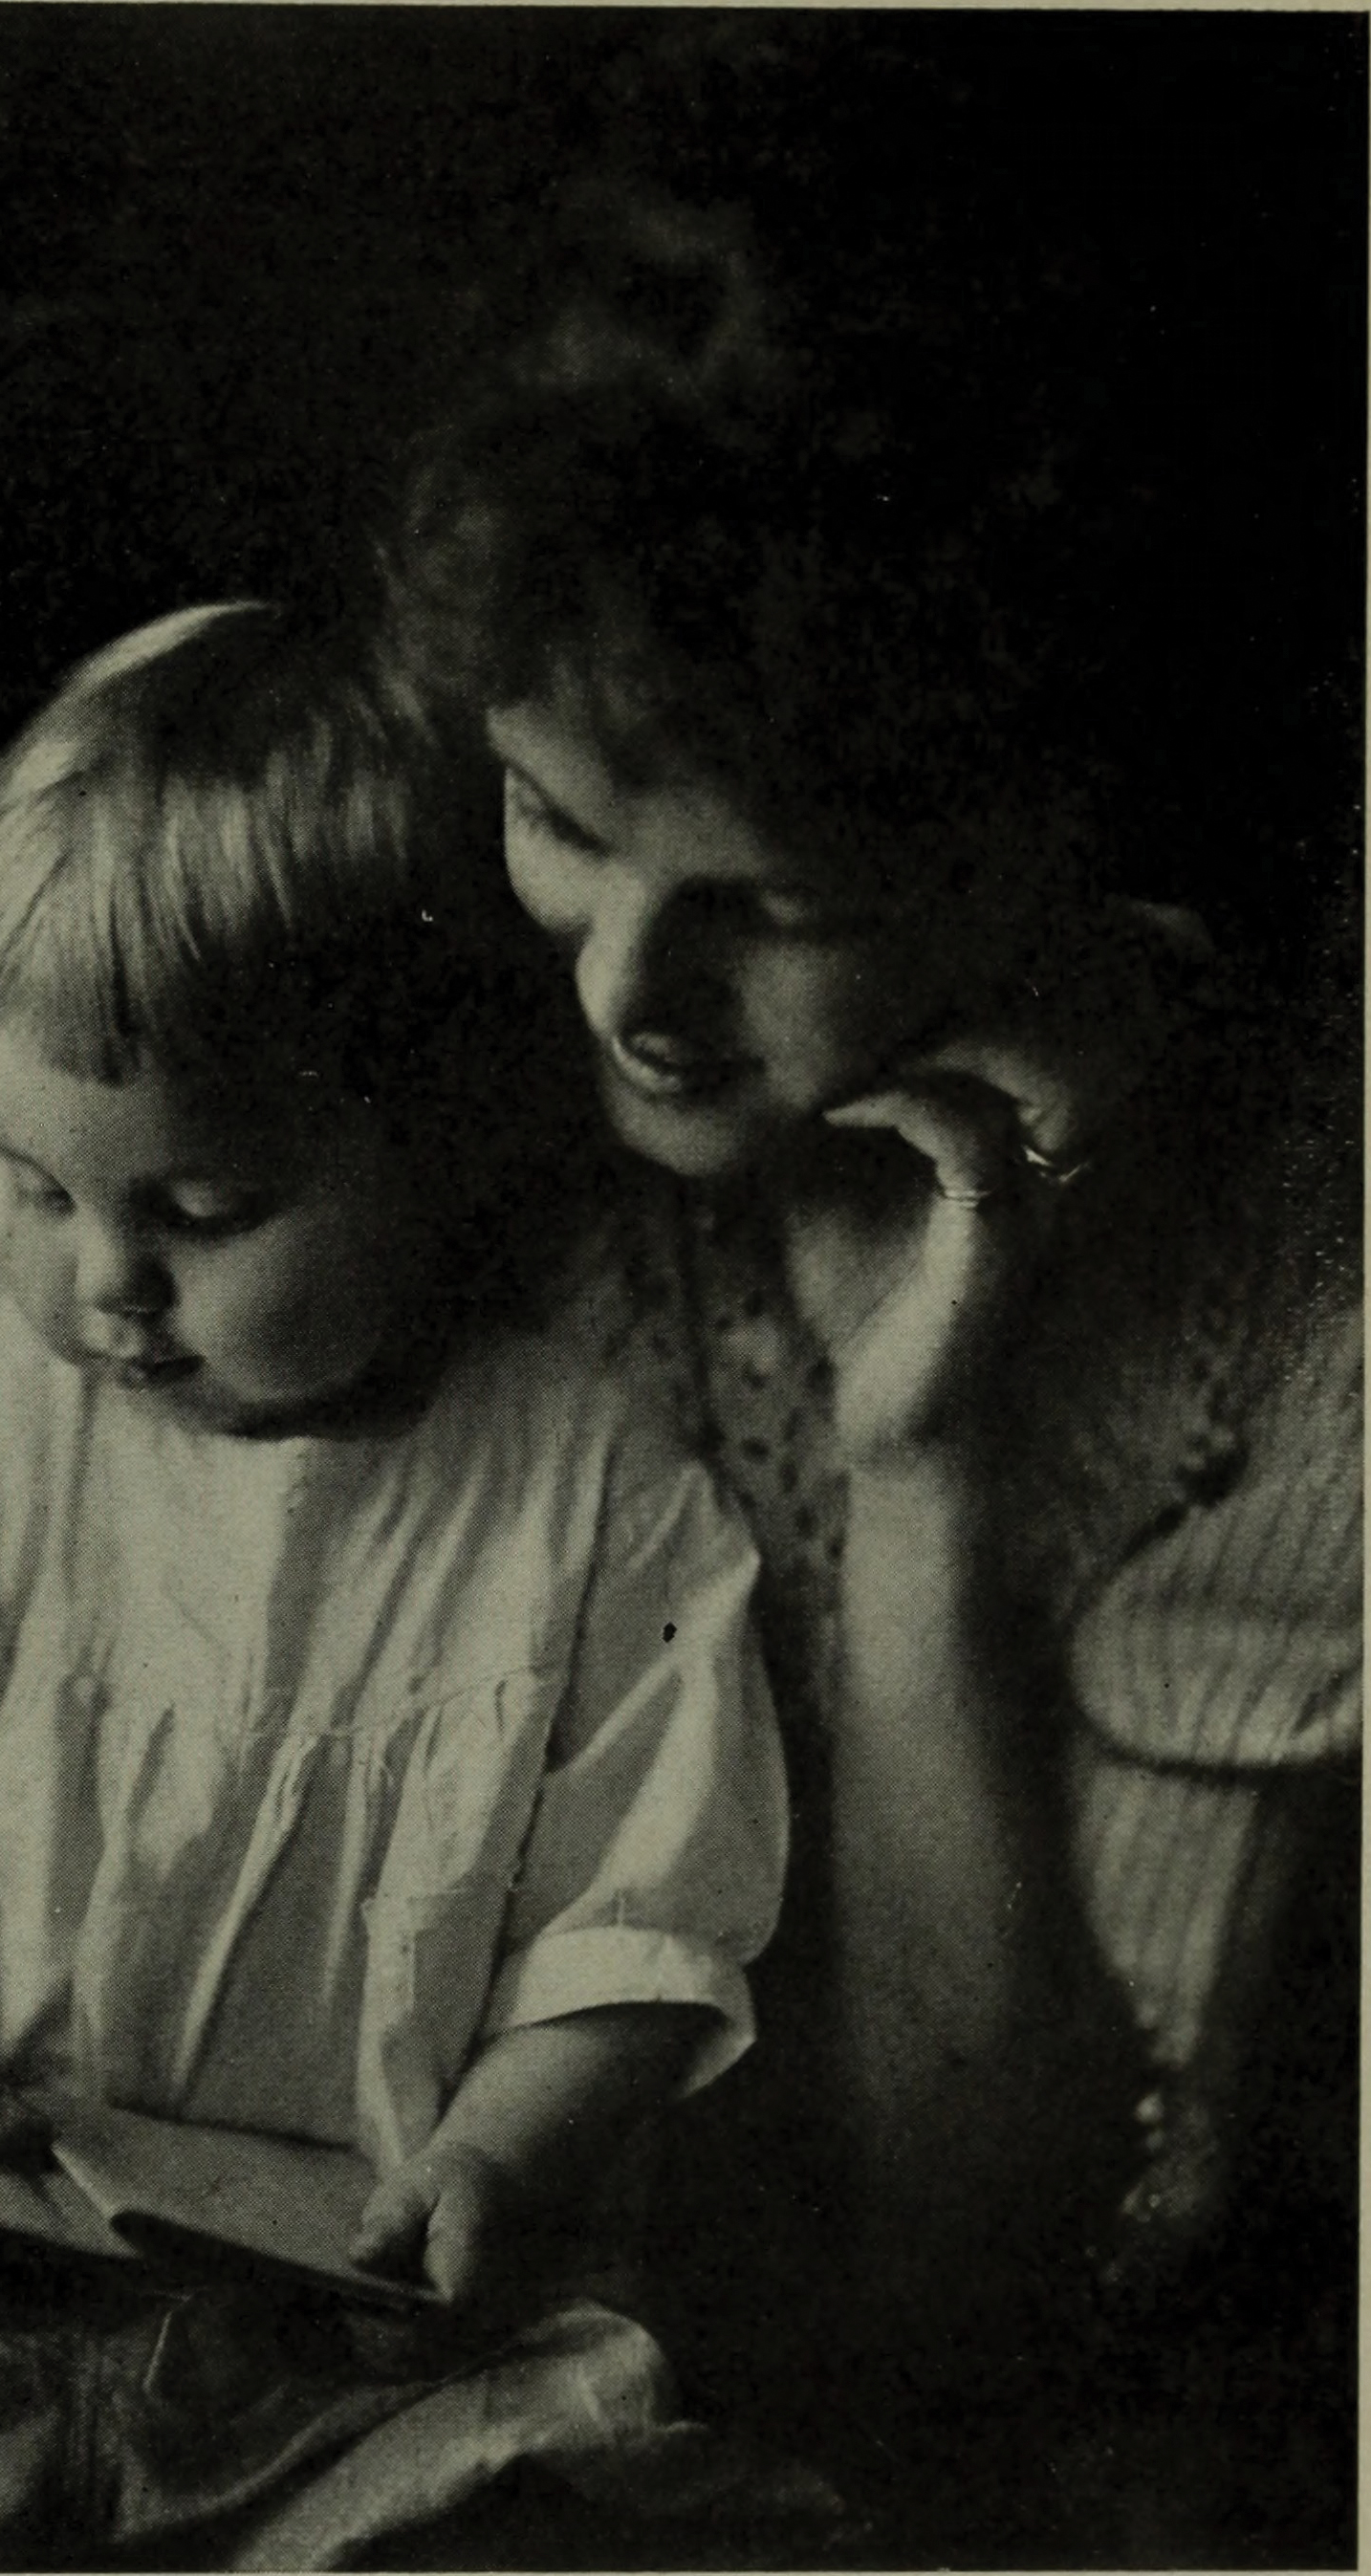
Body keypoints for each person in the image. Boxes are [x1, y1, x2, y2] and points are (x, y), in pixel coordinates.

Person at [0, 601, 790, 2572]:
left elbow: (638, 1922)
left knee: (558, 2520)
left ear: (439, 1145)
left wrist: (502, 2143)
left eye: (198, 1213)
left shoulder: (591, 1509)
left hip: (326, 2374)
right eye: (30, 1189)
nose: (98, 1283)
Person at [381, 49, 1360, 2559]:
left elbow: (989, 2288)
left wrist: (917, 1486)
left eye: (776, 899)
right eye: (561, 826)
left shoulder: (1301, 1315)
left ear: (1061, 819)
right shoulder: (451, 1044)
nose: (626, 988)